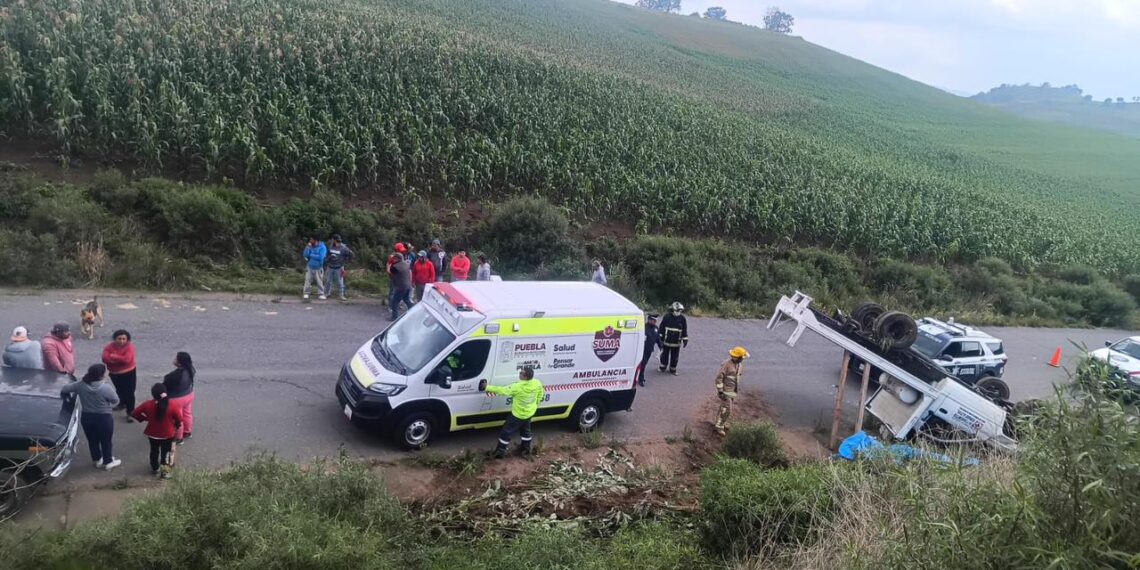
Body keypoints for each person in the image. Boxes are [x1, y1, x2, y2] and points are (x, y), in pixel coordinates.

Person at [61, 364, 121, 470]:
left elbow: (65, 389)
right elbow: (116, 401)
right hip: (104, 418)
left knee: (92, 440)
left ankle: (97, 460)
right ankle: (108, 461)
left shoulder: (81, 385)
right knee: (106, 440)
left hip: (87, 417)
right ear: (101, 375)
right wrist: (108, 407)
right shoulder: (105, 388)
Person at [483, 365, 544, 458]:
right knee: (526, 432)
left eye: (521, 373)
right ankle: (526, 450)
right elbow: (541, 394)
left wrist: (486, 387)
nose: (519, 374)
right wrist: (535, 405)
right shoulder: (537, 383)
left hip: (517, 415)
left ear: (525, 376)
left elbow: (502, 390)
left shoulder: (517, 387)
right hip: (529, 413)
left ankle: (499, 453)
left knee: (506, 432)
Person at [131, 383, 185, 478]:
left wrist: (144, 419)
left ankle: (154, 467)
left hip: (152, 433)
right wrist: (176, 426)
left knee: (154, 450)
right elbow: (179, 419)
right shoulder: (172, 405)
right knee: (166, 452)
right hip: (168, 434)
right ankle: (165, 471)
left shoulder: (147, 404)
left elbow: (135, 413)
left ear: (153, 395)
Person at [102, 329, 137, 423]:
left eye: (124, 339)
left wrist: (113, 357)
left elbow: (127, 360)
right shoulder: (109, 347)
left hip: (129, 373)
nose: (122, 341)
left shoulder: (130, 347)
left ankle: (130, 412)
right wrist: (119, 360)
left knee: (129, 393)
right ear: (115, 339)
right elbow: (105, 358)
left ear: (127, 339)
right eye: (119, 338)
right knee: (120, 390)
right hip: (115, 374)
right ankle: (122, 403)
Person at [714, 347, 750, 436]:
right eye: (741, 357)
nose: (743, 359)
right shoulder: (726, 365)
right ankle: (719, 427)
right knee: (727, 410)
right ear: (737, 357)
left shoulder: (739, 365)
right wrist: (720, 391)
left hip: (733, 391)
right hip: (726, 392)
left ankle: (721, 421)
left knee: (724, 408)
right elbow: (719, 378)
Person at [163, 352, 196, 444]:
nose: (174, 359)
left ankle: (178, 438)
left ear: (179, 362)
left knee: (177, 418)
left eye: (176, 358)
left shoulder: (173, 376)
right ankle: (187, 432)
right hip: (189, 395)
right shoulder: (191, 369)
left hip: (176, 399)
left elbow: (165, 386)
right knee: (187, 413)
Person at [657, 302, 688, 375]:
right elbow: (661, 328)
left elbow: (684, 330)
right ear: (672, 310)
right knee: (664, 354)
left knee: (675, 356)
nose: (677, 312)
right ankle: (663, 367)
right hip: (666, 341)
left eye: (679, 311)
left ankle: (673, 369)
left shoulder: (682, 319)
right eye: (676, 310)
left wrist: (685, 339)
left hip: (676, 342)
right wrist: (660, 338)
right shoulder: (667, 317)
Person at [323, 234, 355, 301]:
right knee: (328, 281)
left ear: (334, 240)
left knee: (340, 282)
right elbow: (328, 254)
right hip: (330, 267)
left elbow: (351, 254)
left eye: (333, 240)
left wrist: (346, 261)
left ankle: (341, 296)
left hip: (339, 267)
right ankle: (327, 294)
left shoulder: (344, 247)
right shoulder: (331, 246)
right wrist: (327, 261)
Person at [388, 252, 414, 320]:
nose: (393, 259)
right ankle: (413, 311)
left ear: (398, 258)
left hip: (401, 287)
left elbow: (390, 274)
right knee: (406, 300)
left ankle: (394, 317)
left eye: (395, 258)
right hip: (408, 286)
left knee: (394, 302)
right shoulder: (407, 264)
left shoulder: (395, 267)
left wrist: (389, 265)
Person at [637, 314, 659, 387]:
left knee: (644, 363)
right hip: (642, 349)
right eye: (653, 320)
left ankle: (639, 376)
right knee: (642, 363)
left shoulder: (656, 328)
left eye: (655, 320)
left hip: (649, 350)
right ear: (649, 320)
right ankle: (640, 378)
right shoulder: (644, 328)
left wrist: (661, 345)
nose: (654, 321)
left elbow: (657, 338)